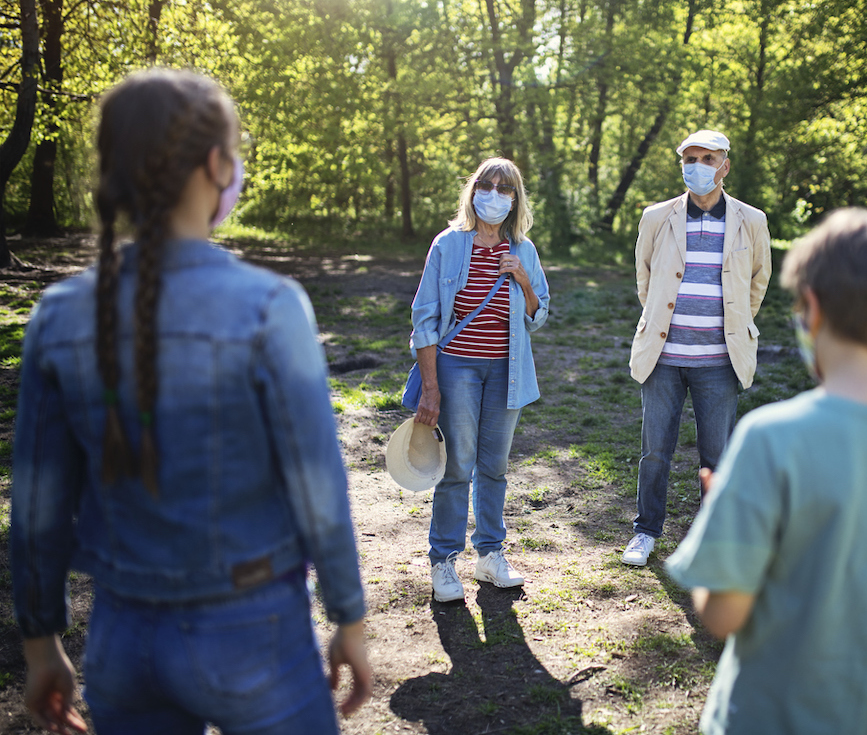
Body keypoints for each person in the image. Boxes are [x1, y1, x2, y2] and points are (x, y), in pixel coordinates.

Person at [10, 69, 371, 735]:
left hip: (120, 642)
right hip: (255, 631)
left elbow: (35, 508)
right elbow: (318, 486)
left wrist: (41, 644)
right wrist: (349, 616)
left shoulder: (56, 317)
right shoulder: (270, 307)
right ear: (215, 163)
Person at [665, 207, 867, 735]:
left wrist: (719, 515)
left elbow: (722, 614)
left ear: (813, 308)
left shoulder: (770, 437)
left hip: (772, 714)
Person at [622, 129, 771, 567]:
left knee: (717, 456)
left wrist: (736, 324)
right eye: (690, 158)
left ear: (725, 165)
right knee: (655, 451)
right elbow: (644, 278)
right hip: (663, 359)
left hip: (719, 361)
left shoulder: (751, 219)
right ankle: (645, 532)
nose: (698, 166)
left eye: (708, 158)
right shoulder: (656, 216)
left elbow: (758, 281)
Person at [409, 156, 550, 603]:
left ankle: (490, 555)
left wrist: (524, 281)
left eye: (504, 188)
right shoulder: (449, 244)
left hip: (507, 370)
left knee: (495, 466)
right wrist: (430, 388)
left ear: (515, 198)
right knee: (457, 464)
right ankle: (443, 560)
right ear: (473, 192)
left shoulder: (524, 249)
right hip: (458, 368)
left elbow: (538, 316)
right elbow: (425, 319)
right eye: (486, 186)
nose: (494, 194)